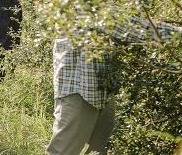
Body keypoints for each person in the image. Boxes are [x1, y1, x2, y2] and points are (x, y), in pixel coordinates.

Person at [47, 17, 181, 155]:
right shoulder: (88, 4)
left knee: (97, 150)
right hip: (79, 90)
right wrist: (177, 33)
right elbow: (128, 28)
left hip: (100, 91)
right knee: (63, 151)